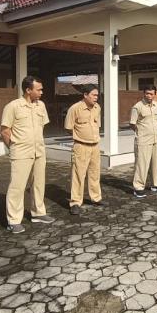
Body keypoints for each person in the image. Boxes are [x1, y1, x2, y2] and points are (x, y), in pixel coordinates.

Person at [0, 76, 56, 233]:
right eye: (39, 89)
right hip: (21, 153)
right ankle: (13, 220)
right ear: (28, 90)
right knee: (17, 187)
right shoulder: (13, 106)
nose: (42, 92)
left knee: (38, 184)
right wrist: (14, 148)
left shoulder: (41, 105)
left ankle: (38, 213)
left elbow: (41, 127)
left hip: (39, 151)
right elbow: (5, 131)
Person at [65, 85, 103, 216]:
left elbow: (97, 125)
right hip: (81, 146)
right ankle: (75, 202)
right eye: (93, 95)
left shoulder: (97, 108)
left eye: (97, 95)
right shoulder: (75, 109)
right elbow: (68, 128)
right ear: (85, 95)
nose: (96, 97)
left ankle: (96, 198)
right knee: (78, 175)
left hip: (95, 146)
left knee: (95, 173)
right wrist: (80, 137)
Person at [130, 84, 157, 198]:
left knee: (155, 163)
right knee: (142, 164)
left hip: (155, 138)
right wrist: (141, 133)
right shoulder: (137, 107)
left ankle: (155, 184)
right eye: (147, 93)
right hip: (143, 140)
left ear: (155, 94)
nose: (149, 96)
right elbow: (132, 124)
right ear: (144, 94)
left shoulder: (156, 105)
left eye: (151, 94)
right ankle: (138, 187)